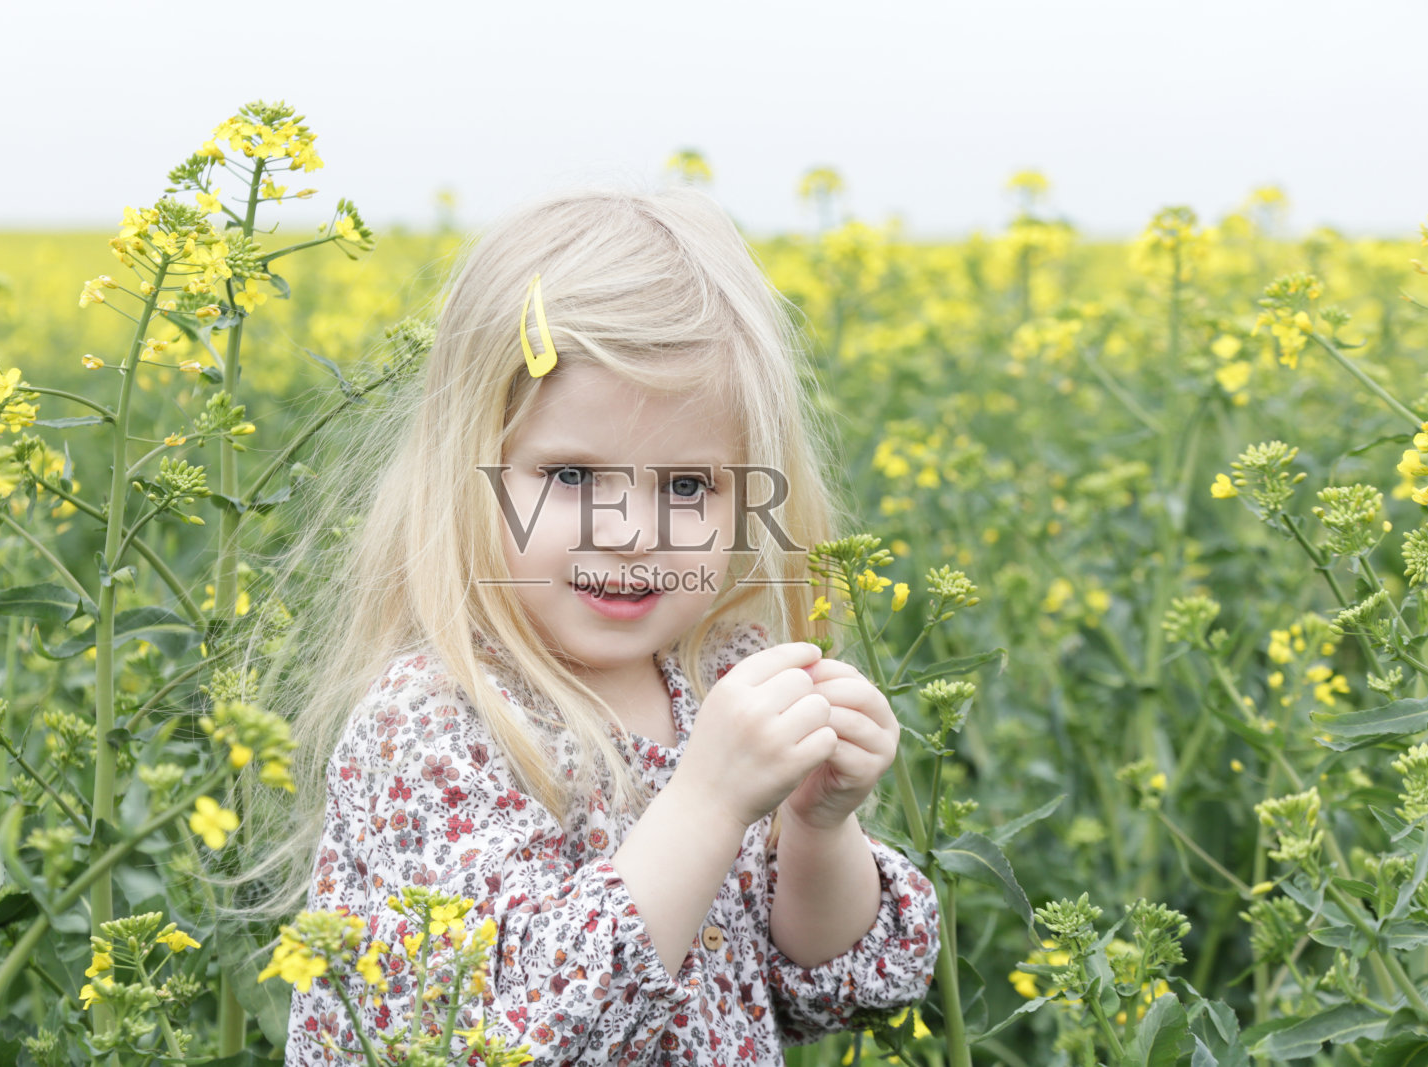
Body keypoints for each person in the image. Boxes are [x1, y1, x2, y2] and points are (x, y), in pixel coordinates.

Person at [261, 185, 939, 1065]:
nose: (629, 533)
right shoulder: (432, 726)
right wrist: (706, 801)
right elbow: (514, 1038)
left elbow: (842, 985)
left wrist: (818, 826)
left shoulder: (713, 677)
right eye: (573, 478)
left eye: (687, 487)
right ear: (470, 473)